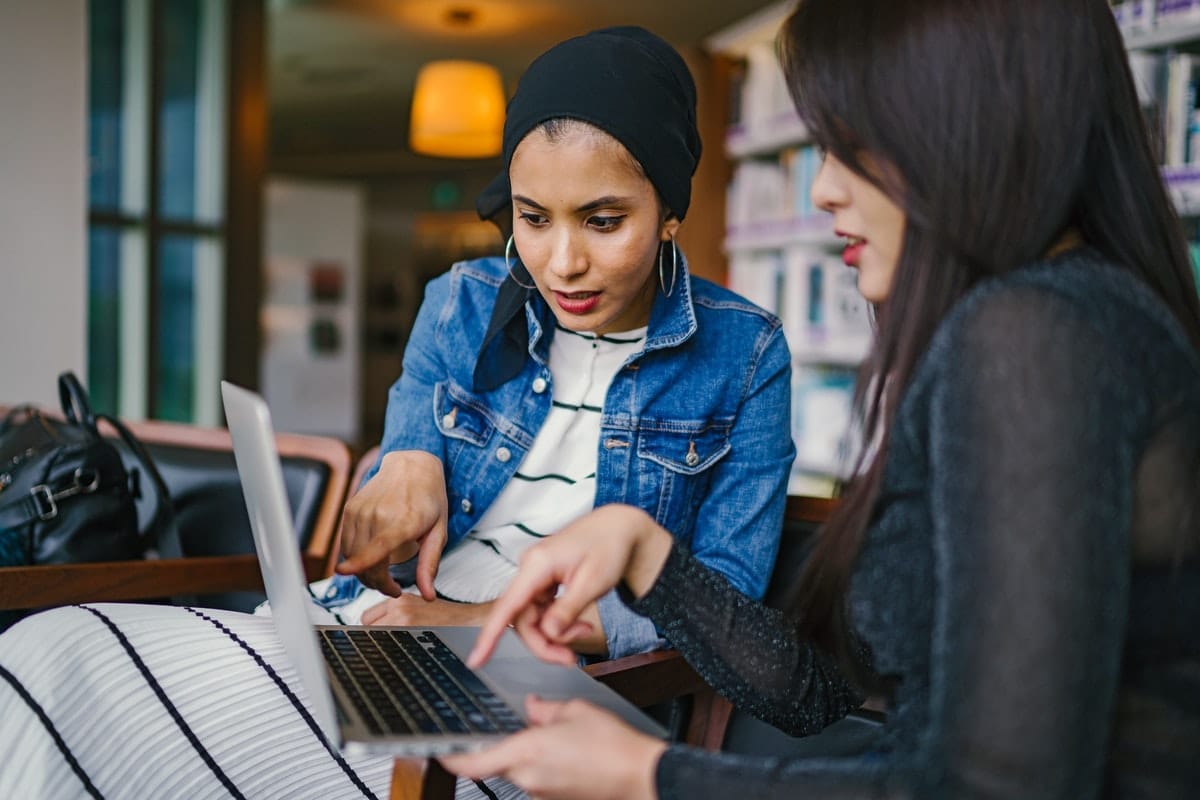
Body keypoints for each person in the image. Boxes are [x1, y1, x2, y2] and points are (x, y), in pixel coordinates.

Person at [0, 26, 796, 800]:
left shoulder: (746, 355)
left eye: (602, 220)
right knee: (47, 649)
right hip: (369, 630)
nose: (562, 262)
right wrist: (403, 460)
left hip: (544, 688)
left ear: (670, 213)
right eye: (532, 217)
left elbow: (717, 606)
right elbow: (402, 466)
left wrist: (461, 618)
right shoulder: (462, 301)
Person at [442, 1, 1200, 797]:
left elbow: (998, 788)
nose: (827, 189)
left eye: (849, 147)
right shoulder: (1060, 320)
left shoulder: (1034, 337)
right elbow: (817, 698)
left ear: (964, 125)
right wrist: (647, 553)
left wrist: (648, 776)